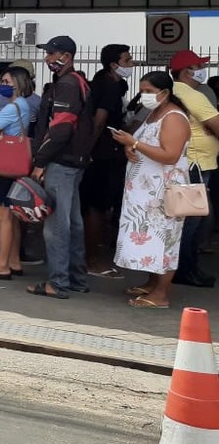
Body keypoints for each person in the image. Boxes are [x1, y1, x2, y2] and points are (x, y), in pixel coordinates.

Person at [110, 72, 191, 308]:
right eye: (142, 90)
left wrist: (132, 143)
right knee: (152, 239)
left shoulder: (174, 117)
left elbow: (170, 154)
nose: (144, 95)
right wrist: (130, 149)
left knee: (165, 240)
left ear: (164, 93)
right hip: (146, 192)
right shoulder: (154, 113)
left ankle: (161, 294)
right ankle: (152, 283)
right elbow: (146, 145)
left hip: (164, 192)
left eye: (149, 91)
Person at [28, 35, 91, 300]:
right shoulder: (79, 82)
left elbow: (61, 128)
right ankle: (76, 278)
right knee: (73, 222)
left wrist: (40, 162)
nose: (47, 58)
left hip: (60, 161)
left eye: (51, 54)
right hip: (75, 162)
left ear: (66, 55)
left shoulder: (66, 85)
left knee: (56, 226)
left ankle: (58, 282)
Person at [80, 44, 133, 279]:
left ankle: (87, 256)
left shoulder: (102, 82)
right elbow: (100, 121)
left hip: (102, 152)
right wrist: (87, 151)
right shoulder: (109, 86)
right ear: (114, 64)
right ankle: (92, 260)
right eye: (127, 60)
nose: (131, 64)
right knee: (97, 208)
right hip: (102, 153)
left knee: (93, 206)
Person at [168, 49, 219, 288]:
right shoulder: (193, 95)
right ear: (187, 71)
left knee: (187, 219)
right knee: (193, 221)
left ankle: (183, 268)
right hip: (197, 165)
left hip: (187, 163)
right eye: (198, 67)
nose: (201, 71)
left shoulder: (175, 91)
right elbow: (216, 125)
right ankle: (186, 270)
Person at [0, 67, 36, 280]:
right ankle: (14, 261)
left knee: (2, 216)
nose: (3, 85)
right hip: (16, 167)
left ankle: (1, 265)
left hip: (4, 168)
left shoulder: (12, 107)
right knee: (12, 216)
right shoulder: (24, 105)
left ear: (18, 83)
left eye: (7, 81)